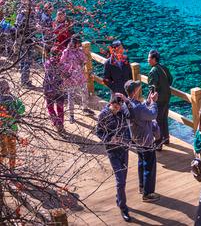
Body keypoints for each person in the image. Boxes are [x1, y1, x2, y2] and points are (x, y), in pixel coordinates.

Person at [95, 93, 132, 223]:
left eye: (119, 107)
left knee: (124, 179)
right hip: (112, 151)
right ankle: (123, 207)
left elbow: (132, 114)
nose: (117, 109)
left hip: (124, 149)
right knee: (120, 181)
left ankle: (119, 197)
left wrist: (126, 101)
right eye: (115, 107)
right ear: (110, 104)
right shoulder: (103, 115)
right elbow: (98, 132)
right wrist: (110, 139)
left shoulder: (123, 111)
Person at [124, 80, 160, 202]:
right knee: (149, 166)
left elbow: (141, 110)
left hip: (136, 138)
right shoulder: (138, 108)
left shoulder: (127, 104)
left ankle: (142, 187)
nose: (140, 91)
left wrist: (148, 101)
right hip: (146, 139)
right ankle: (148, 193)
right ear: (134, 92)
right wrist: (154, 102)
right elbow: (152, 114)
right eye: (138, 89)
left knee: (141, 163)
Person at [56, 34, 89, 123]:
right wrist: (67, 71)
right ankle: (71, 115)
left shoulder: (79, 51)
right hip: (70, 78)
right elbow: (61, 64)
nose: (79, 45)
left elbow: (85, 60)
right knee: (71, 96)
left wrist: (83, 63)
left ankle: (85, 108)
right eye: (78, 43)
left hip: (80, 76)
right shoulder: (66, 52)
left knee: (85, 92)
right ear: (74, 43)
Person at [146, 50, 172, 149]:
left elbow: (152, 87)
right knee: (164, 118)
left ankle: (158, 143)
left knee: (157, 120)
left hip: (159, 99)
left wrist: (151, 99)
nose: (147, 60)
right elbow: (170, 79)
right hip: (167, 96)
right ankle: (166, 138)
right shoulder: (163, 67)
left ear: (153, 59)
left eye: (149, 58)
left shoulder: (153, 71)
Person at [42, 44, 69, 131]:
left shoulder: (47, 63)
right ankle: (60, 122)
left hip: (48, 88)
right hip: (59, 88)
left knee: (50, 107)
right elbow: (66, 75)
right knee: (60, 107)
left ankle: (56, 121)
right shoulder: (62, 65)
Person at [0, 80, 26, 169]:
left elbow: (22, 107)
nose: (7, 90)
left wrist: (14, 113)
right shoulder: (11, 99)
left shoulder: (13, 98)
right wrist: (13, 114)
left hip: (11, 129)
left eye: (8, 88)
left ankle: (12, 168)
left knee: (10, 150)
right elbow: (22, 108)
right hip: (4, 129)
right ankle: (5, 169)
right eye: (4, 89)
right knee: (5, 151)